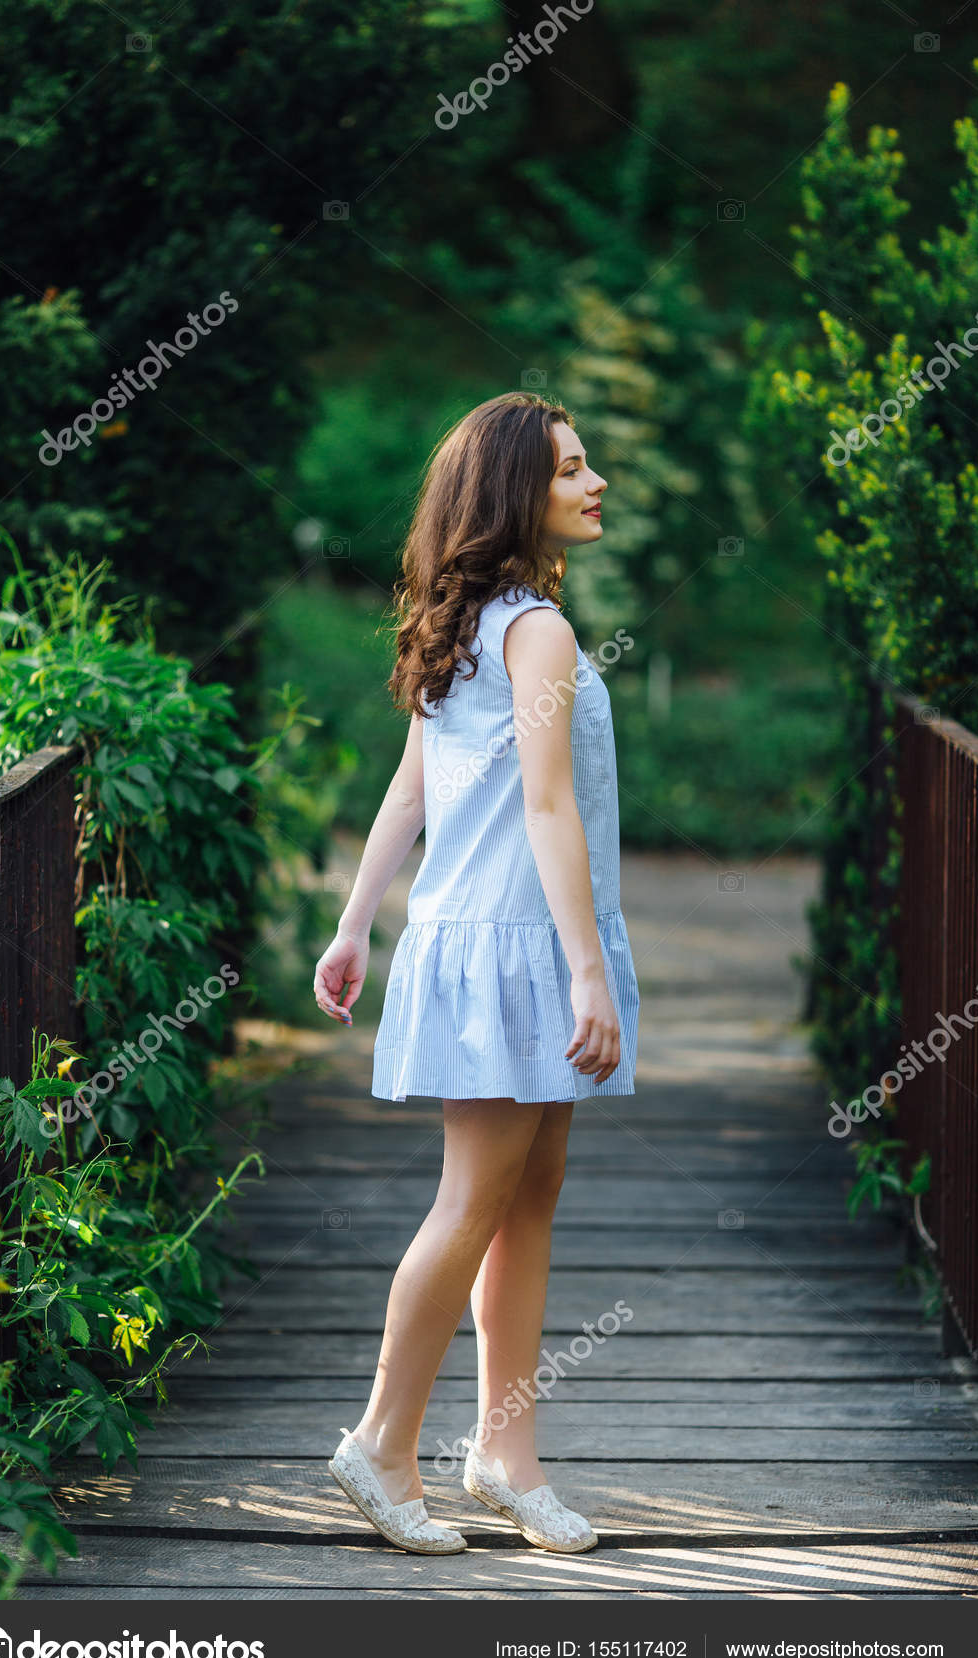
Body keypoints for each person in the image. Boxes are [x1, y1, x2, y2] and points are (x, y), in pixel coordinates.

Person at [313, 391, 641, 1556]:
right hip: (516, 946)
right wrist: (589, 972)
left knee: (525, 1195)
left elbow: (412, 787)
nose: (594, 482)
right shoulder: (533, 630)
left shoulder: (468, 620)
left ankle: (505, 1452)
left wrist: (355, 924)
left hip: (491, 937)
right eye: (570, 467)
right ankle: (379, 1443)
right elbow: (545, 806)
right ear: (515, 492)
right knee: (471, 1201)